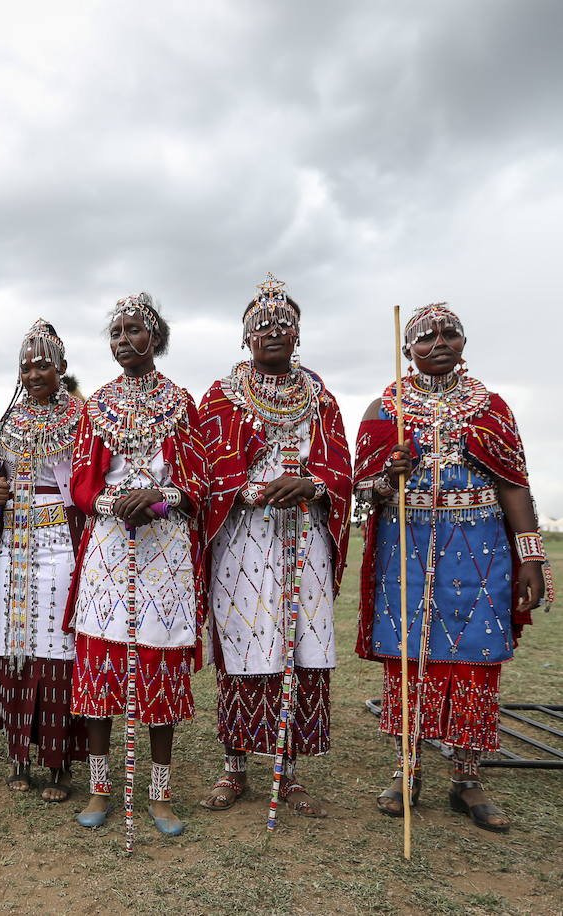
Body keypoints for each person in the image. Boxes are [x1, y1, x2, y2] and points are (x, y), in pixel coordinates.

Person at [354, 303, 554, 832]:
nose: (438, 342)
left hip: (481, 546)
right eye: (425, 336)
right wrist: (387, 475)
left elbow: (514, 484)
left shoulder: (490, 407)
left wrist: (531, 554)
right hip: (408, 545)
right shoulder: (384, 408)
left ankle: (467, 778)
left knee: (475, 657)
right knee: (409, 658)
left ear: (464, 342)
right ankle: (406, 771)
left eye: (450, 333)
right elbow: (361, 492)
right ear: (407, 350)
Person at [198, 275, 352, 820]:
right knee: (243, 643)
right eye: (260, 325)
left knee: (300, 647)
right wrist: (246, 490)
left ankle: (289, 772)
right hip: (242, 536)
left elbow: (341, 466)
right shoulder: (220, 396)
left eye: (283, 324)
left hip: (304, 533)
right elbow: (205, 469)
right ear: (244, 337)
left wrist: (313, 485)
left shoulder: (320, 397)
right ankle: (234, 765)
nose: (272, 332)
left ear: (298, 334)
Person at [65, 294, 207, 834]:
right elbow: (81, 485)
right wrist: (114, 503)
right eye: (115, 332)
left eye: (134, 331)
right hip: (107, 546)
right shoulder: (96, 405)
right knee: (101, 667)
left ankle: (160, 793)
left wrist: (159, 500)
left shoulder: (182, 404)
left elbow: (198, 486)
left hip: (164, 549)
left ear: (158, 339)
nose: (123, 340)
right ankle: (101, 790)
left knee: (159, 666)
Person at [0, 320, 86, 803]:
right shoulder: (9, 421)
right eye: (25, 366)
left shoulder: (82, 417)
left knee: (60, 646)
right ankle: (19, 757)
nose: (32, 373)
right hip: (15, 544)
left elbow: (87, 483)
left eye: (42, 364)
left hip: (61, 541)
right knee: (15, 643)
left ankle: (62, 763)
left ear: (62, 368)